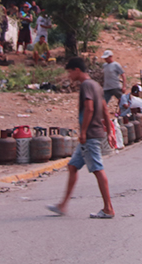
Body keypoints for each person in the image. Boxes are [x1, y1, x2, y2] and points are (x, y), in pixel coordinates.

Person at [47, 57, 116, 218]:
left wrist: (83, 132)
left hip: (90, 135)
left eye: (70, 72)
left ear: (77, 70)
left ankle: (108, 208)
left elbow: (90, 109)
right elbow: (105, 110)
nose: (69, 75)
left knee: (98, 169)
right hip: (92, 135)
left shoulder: (86, 85)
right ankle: (63, 205)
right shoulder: (97, 86)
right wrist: (110, 132)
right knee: (72, 166)